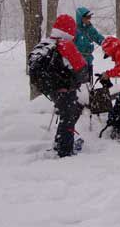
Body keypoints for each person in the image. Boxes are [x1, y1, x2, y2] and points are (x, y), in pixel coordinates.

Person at [48, 14, 88, 157]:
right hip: (66, 89)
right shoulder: (66, 45)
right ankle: (65, 150)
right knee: (68, 118)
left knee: (65, 116)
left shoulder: (48, 43)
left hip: (52, 89)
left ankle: (60, 143)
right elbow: (82, 70)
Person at [74, 7, 104, 83]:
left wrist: (109, 45)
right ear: (81, 18)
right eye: (87, 17)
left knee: (88, 83)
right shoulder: (75, 30)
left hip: (89, 61)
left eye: (90, 17)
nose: (89, 19)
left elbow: (99, 38)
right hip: (78, 63)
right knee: (80, 85)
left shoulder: (90, 29)